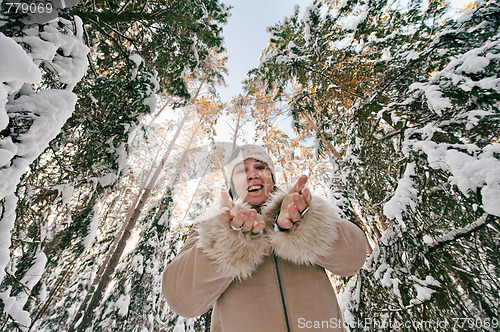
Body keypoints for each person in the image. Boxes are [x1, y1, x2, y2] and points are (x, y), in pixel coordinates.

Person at [162, 144, 367, 331]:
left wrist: (304, 226)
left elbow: (354, 259)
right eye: (242, 170)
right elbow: (182, 300)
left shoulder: (303, 209)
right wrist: (227, 242)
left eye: (259, 167)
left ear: (272, 176)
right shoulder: (211, 227)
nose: (252, 175)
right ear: (231, 184)